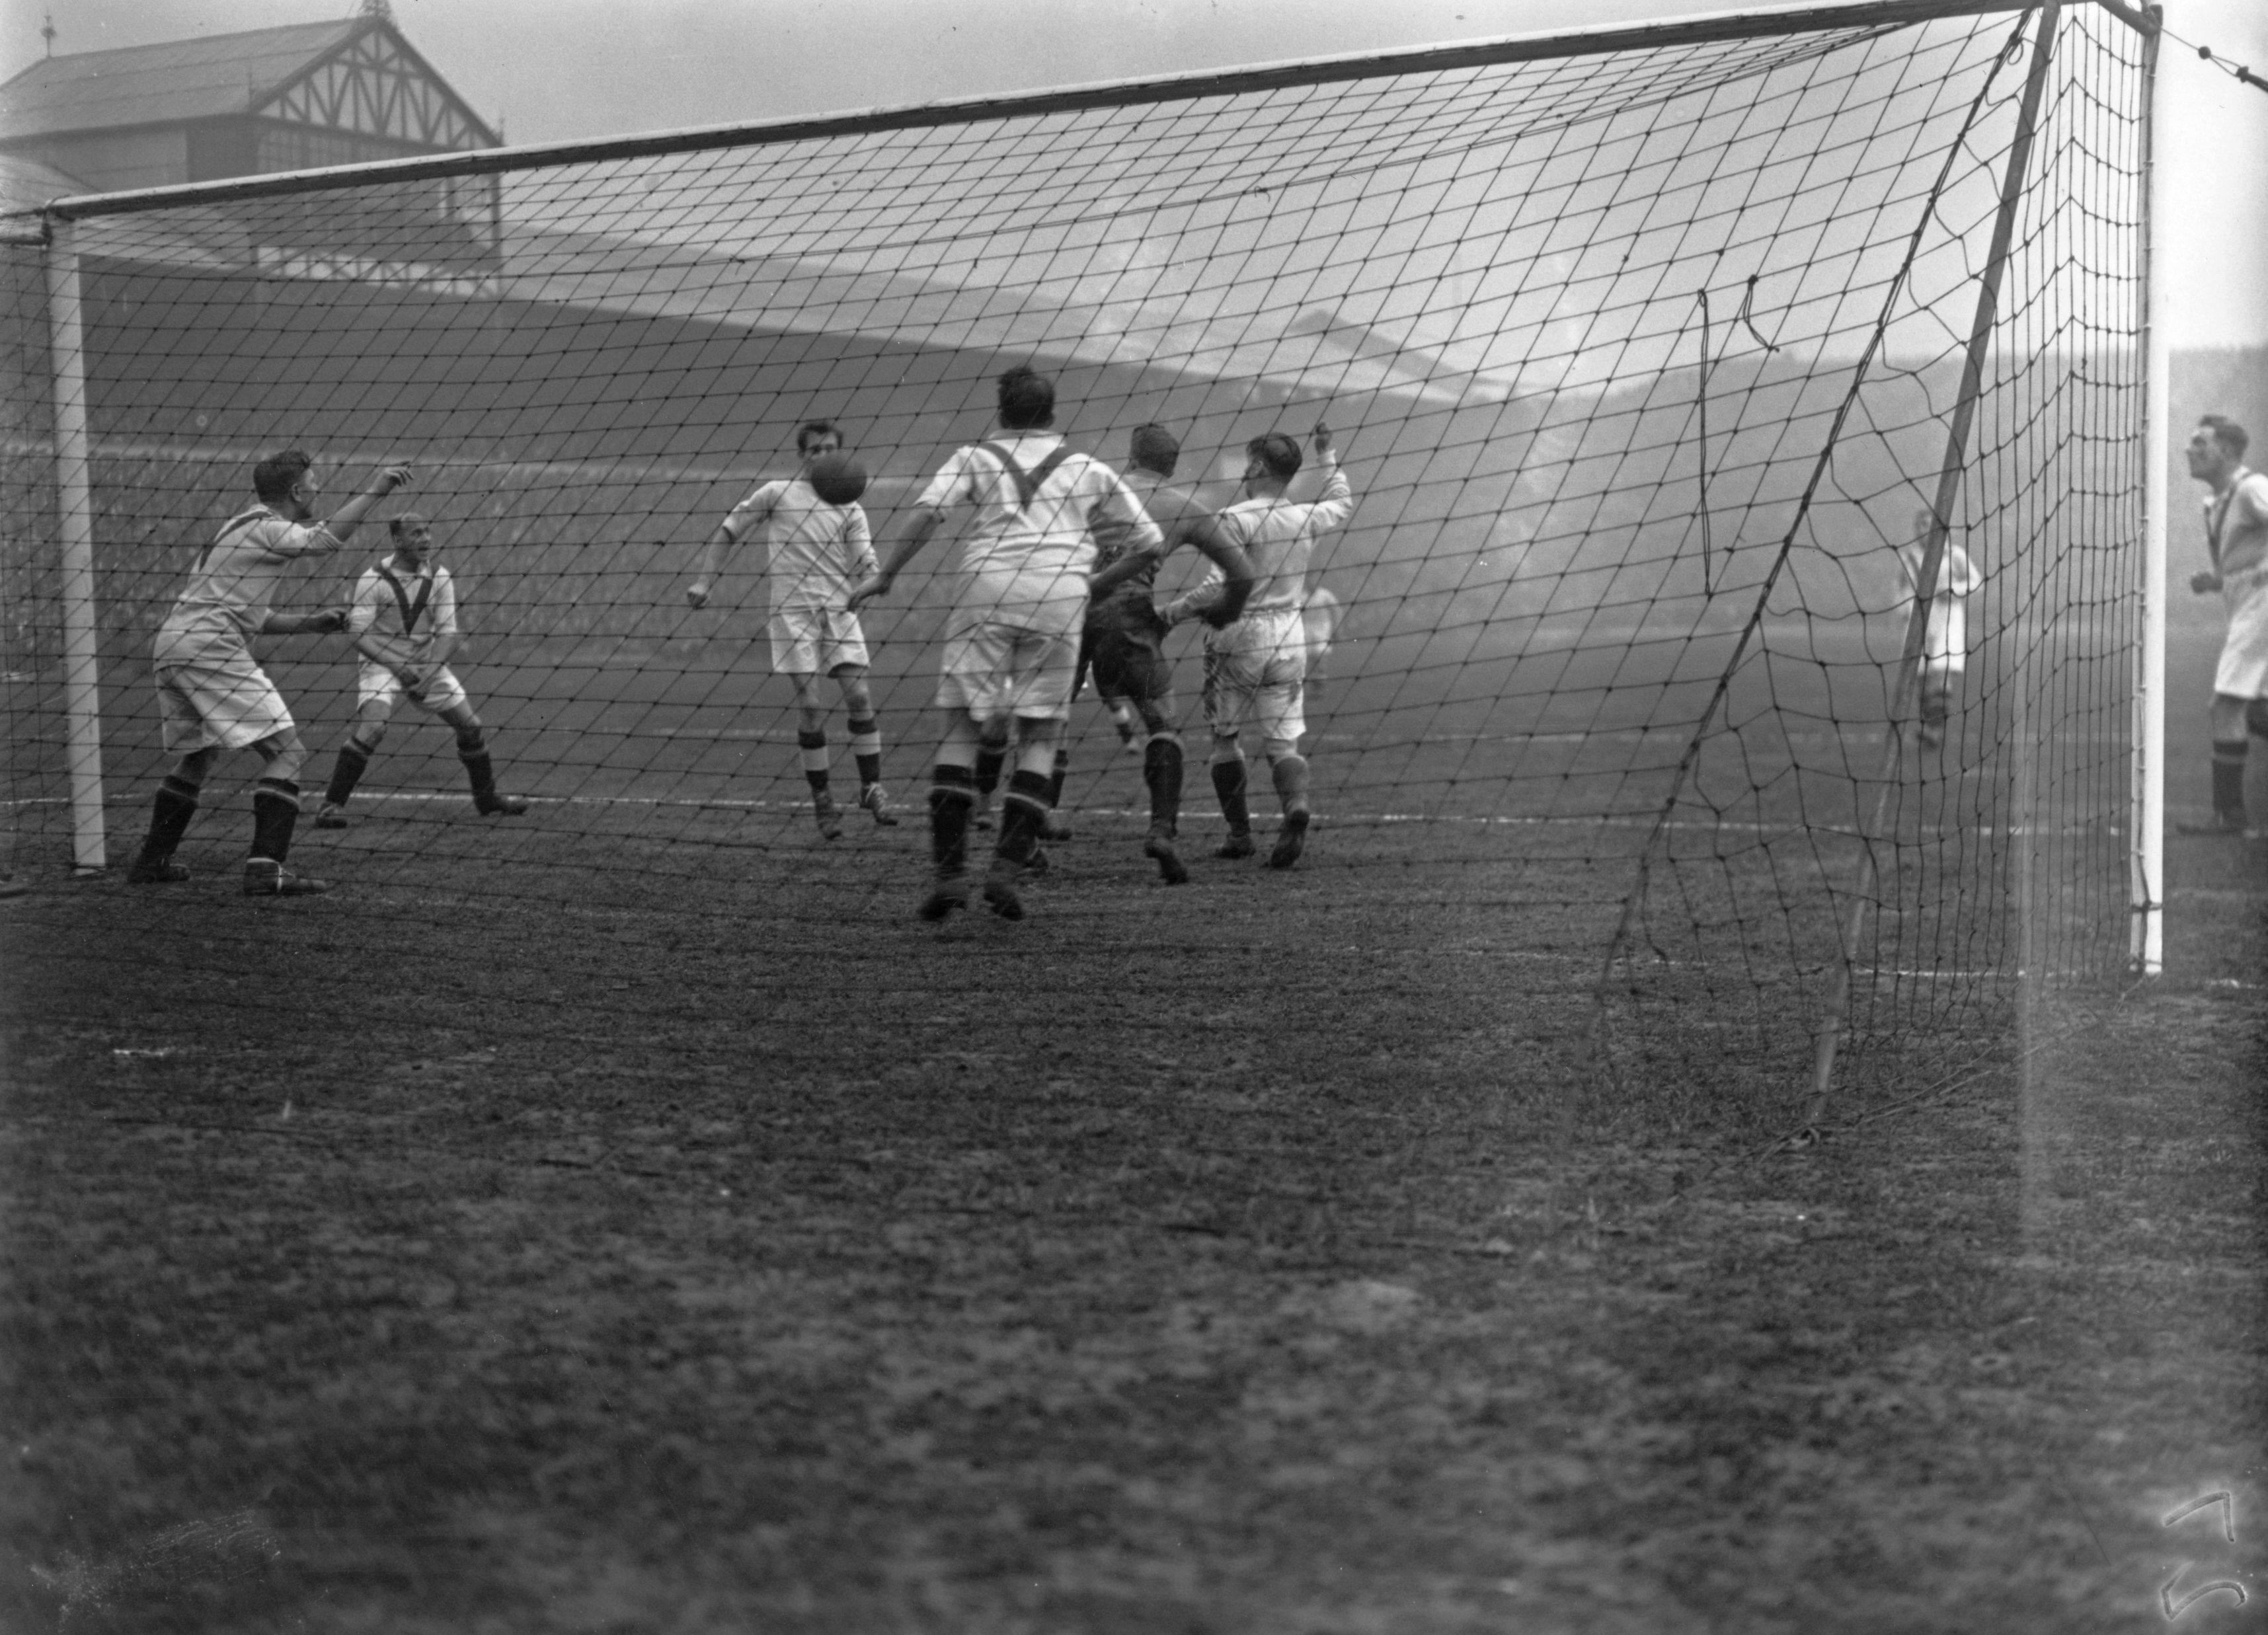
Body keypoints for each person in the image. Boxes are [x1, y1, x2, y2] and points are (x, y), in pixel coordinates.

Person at [847, 365, 1163, 921]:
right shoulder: (1087, 467)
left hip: (985, 592)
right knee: (1041, 736)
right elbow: (1149, 542)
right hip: (1059, 597)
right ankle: (1006, 871)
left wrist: (887, 575)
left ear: (1001, 411)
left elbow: (928, 515)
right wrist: (1091, 584)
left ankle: (949, 875)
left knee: (962, 731)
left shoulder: (974, 456)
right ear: (1052, 413)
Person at [126, 450, 411, 896]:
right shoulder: (267, 527)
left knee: (199, 755)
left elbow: (250, 613)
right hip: (208, 649)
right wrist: (378, 489)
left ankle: (151, 862)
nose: (318, 489)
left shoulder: (238, 526)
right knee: (287, 752)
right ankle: (265, 869)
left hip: (175, 645)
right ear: (297, 491)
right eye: (314, 482)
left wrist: (309, 622)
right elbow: (324, 543)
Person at [687, 420, 896, 839]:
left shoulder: (851, 506)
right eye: (814, 450)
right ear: (802, 455)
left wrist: (872, 579)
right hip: (792, 612)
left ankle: (871, 787)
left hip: (839, 608)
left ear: (841, 453)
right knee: (813, 706)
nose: (821, 456)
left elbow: (865, 560)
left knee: (859, 695)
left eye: (829, 449)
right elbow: (730, 529)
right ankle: (823, 800)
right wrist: (704, 580)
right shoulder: (777, 493)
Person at [1065, 422, 1254, 883]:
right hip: (1126, 619)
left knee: (1043, 720)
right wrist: (1223, 612)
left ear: (1130, 458)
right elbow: (1243, 575)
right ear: (1170, 467)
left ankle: (1026, 840)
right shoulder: (1184, 507)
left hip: (1066, 609)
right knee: (1162, 722)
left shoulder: (1089, 491)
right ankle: (1162, 832)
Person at [1164, 422, 1352, 869]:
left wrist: (1169, 614)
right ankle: (1295, 806)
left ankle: (1239, 835)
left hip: (1237, 634)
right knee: (1282, 745)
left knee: (1224, 738)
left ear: (1258, 465)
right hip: (1290, 635)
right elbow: (1342, 504)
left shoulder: (1235, 518)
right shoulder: (1306, 517)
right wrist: (1326, 455)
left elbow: (1216, 587)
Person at [310, 512, 529, 830]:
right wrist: (398, 667)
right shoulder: (373, 579)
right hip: (383, 663)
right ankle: (330, 806)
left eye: (427, 531)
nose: (426, 538)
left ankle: (487, 799)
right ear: (398, 541)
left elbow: (448, 633)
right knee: (374, 727)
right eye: (416, 533)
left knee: (471, 726)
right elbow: (359, 635)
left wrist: (428, 672)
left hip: (427, 661)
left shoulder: (440, 576)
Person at [2182, 415, 2268, 835]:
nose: (2189, 449)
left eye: (2201, 443)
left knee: (2227, 705)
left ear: (2230, 452)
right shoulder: (2216, 501)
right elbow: (2248, 554)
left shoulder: (2253, 489)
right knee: (2256, 711)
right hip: (2247, 602)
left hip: (2263, 606)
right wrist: (2217, 581)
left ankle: (2230, 817)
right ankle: (2229, 815)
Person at [1893, 506, 1980, 749]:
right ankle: (1929, 728)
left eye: (1928, 524)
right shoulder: (1909, 558)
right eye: (1920, 524)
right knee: (1921, 678)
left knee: (1940, 675)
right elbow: (1900, 589)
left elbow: (1975, 582)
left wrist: (1954, 591)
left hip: (1948, 620)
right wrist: (1904, 611)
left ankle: (1933, 731)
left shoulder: (1955, 555)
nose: (1924, 529)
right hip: (1919, 622)